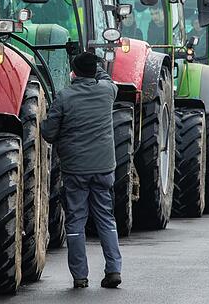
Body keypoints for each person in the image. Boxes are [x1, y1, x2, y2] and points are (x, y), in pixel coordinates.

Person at [40, 52, 123, 289]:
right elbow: (105, 77)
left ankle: (80, 276)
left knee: (76, 221)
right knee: (106, 218)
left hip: (75, 169)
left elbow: (48, 133)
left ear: (73, 72)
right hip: (104, 166)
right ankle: (114, 270)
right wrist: (96, 65)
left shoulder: (65, 97)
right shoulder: (108, 91)